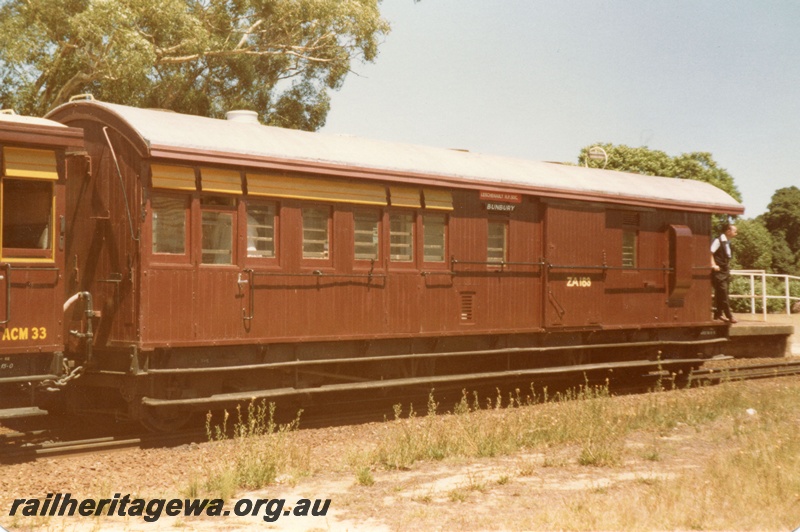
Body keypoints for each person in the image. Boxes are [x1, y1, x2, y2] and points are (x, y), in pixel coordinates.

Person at [710, 223, 738, 323]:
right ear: (728, 231)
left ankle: (718, 314)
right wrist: (713, 265)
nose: (736, 233)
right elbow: (710, 253)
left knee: (721, 293)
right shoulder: (718, 241)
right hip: (718, 271)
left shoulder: (728, 242)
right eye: (735, 231)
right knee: (723, 293)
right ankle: (729, 316)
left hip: (725, 271)